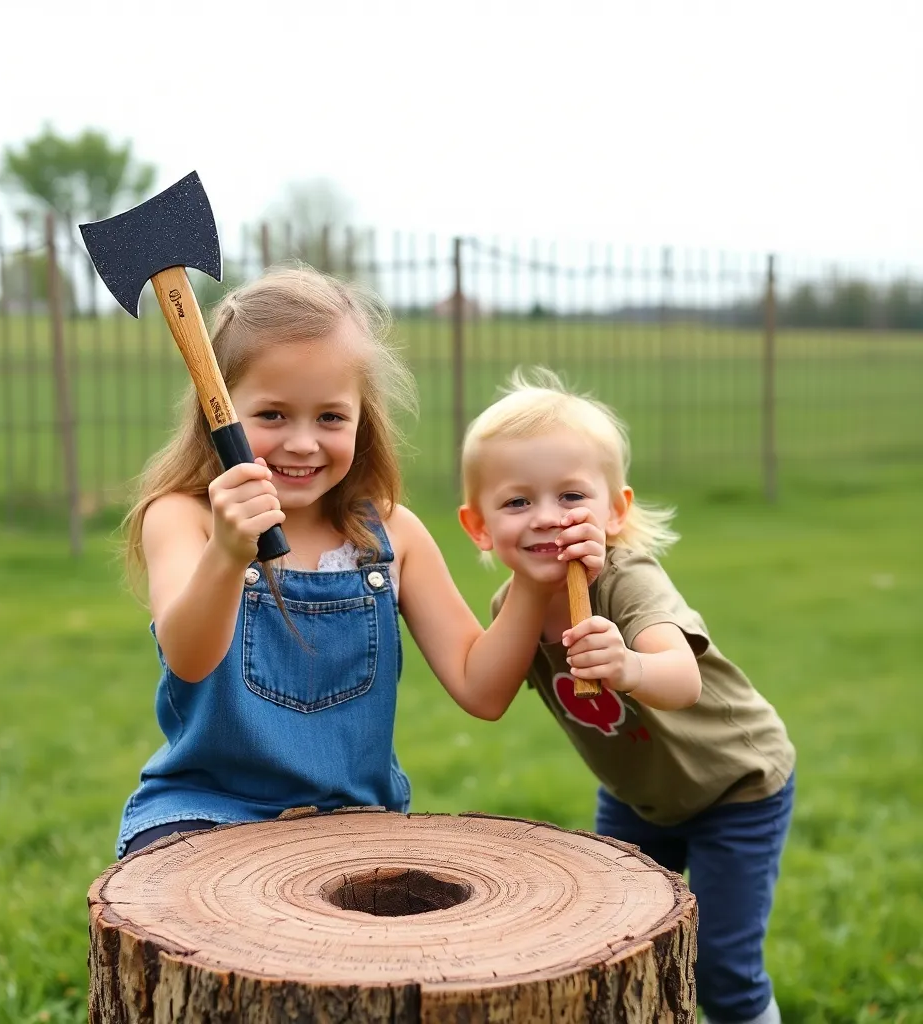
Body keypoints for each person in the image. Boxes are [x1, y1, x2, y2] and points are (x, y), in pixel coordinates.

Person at [116, 266, 535, 859]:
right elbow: (187, 657)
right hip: (206, 812)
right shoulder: (186, 518)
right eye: (272, 415)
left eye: (331, 417)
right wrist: (228, 554)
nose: (303, 443)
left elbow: (481, 688)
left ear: (364, 421)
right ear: (220, 413)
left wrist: (535, 584)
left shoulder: (390, 535)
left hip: (359, 821)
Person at [457, 368, 795, 1024]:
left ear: (615, 510)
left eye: (572, 496)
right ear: (479, 526)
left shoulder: (627, 582)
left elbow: (681, 678)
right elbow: (488, 694)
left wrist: (630, 665)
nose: (549, 517)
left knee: (722, 970)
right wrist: (527, 598)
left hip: (735, 786)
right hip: (638, 797)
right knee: (617, 935)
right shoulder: (515, 606)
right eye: (517, 502)